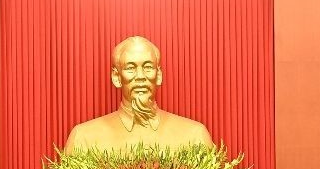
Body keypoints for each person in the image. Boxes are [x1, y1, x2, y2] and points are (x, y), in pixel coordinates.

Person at [64, 36, 213, 152]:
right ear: (116, 77)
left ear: (159, 74)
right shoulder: (84, 138)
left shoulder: (194, 136)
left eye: (148, 67)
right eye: (130, 68)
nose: (140, 76)